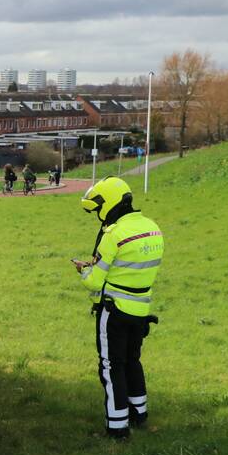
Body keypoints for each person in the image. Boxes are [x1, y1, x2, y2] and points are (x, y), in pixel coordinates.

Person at [73, 177, 164, 439]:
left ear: (107, 203)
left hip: (113, 311)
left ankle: (117, 428)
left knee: (111, 367)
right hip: (141, 311)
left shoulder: (113, 234)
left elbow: (94, 280)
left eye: (97, 209)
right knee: (132, 362)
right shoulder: (152, 228)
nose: (97, 216)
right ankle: (139, 414)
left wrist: (83, 269)